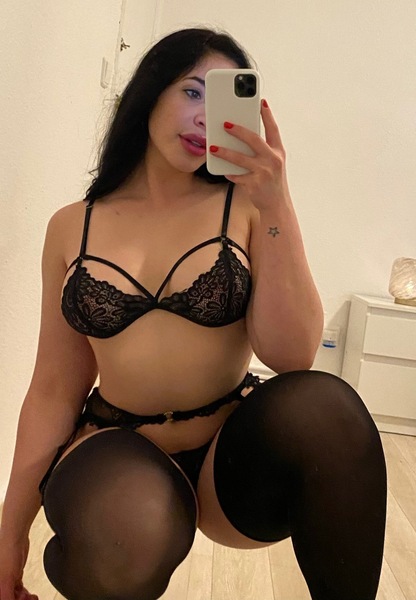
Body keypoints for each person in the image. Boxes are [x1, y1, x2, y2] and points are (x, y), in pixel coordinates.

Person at [0, 27, 386, 600]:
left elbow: (291, 356)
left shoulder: (247, 208)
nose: (206, 114)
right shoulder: (70, 226)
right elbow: (54, 388)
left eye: (224, 98)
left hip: (227, 456)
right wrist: (10, 534)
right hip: (117, 448)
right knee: (129, 529)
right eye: (192, 91)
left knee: (327, 407)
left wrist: (277, 205)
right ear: (150, 91)